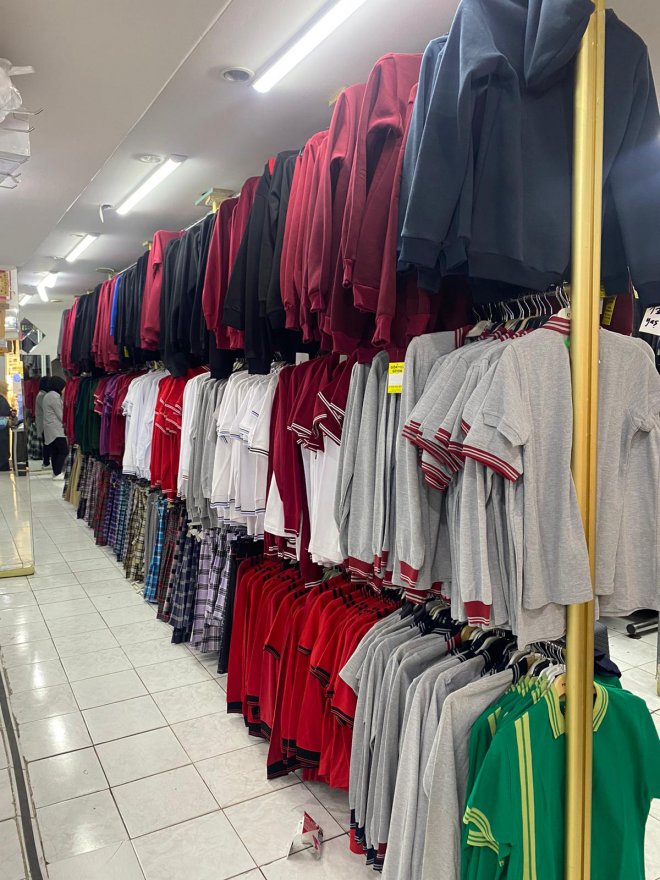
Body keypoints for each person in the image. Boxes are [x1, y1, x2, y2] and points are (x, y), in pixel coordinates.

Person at [42, 376, 68, 481]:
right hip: (56, 429)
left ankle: (56, 472)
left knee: (55, 451)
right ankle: (58, 472)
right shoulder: (54, 396)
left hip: (50, 428)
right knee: (63, 451)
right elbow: (60, 414)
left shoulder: (47, 395)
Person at [35, 376, 51, 468]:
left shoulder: (42, 394)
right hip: (44, 424)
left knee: (47, 443)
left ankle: (46, 461)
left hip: (44, 424)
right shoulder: (42, 395)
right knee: (47, 444)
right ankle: (46, 461)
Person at [0, 387, 14, 472]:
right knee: (3, 446)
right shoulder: (2, 400)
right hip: (2, 427)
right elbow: (6, 412)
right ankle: (3, 466)